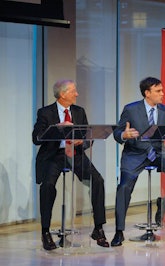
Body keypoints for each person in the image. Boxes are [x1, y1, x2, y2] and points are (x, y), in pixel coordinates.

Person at [32, 79, 109, 250]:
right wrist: (55, 129)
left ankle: (98, 228)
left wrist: (81, 141)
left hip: (75, 154)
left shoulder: (79, 111)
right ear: (63, 94)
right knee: (48, 186)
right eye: (73, 91)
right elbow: (36, 138)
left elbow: (88, 136)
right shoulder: (45, 113)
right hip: (54, 155)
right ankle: (45, 232)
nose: (77, 94)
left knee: (98, 181)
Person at [111, 76, 165, 246]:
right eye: (158, 91)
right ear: (147, 93)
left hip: (159, 152)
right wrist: (124, 135)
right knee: (123, 187)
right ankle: (119, 231)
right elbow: (117, 132)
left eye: (162, 90)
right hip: (135, 153)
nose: (162, 94)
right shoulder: (131, 109)